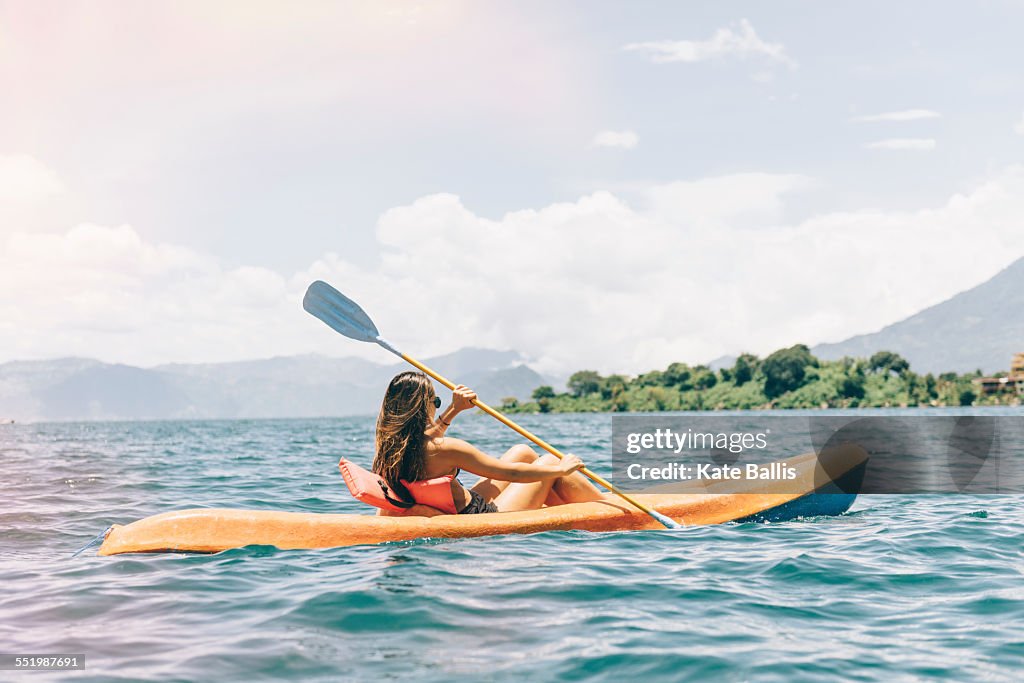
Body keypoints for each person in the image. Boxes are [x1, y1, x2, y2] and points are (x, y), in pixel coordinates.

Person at [372, 370, 605, 516]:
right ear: (423, 406)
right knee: (549, 461)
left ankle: (565, 505)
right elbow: (511, 473)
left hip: (464, 505)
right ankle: (605, 507)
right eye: (437, 401)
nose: (437, 406)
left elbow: (425, 440)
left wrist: (455, 409)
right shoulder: (447, 449)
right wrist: (560, 469)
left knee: (522, 451)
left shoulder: (390, 447)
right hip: (484, 514)